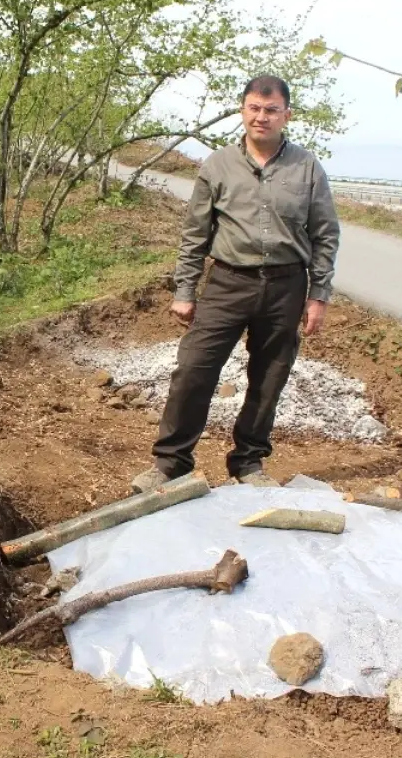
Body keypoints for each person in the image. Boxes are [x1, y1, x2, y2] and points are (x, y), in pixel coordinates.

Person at [132, 74, 341, 493]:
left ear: (286, 115)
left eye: (271, 110)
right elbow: (196, 234)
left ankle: (248, 462)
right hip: (228, 281)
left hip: (285, 286)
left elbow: (325, 234)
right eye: (254, 108)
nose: (261, 117)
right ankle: (172, 462)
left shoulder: (307, 167)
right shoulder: (218, 166)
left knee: (269, 378)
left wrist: (318, 295)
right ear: (243, 110)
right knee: (194, 369)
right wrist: (185, 291)